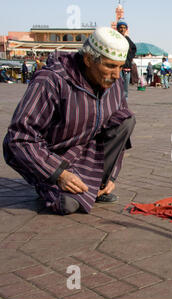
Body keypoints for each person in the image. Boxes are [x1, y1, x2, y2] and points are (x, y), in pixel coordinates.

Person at [3, 27, 136, 215]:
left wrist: (112, 176)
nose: (116, 75)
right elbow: (19, 138)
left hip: (86, 149)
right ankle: (48, 183)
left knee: (126, 120)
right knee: (67, 204)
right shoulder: (52, 80)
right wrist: (58, 174)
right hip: (53, 155)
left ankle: (98, 184)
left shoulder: (114, 83)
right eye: (110, 66)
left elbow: (119, 129)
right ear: (89, 60)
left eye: (120, 67)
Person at [117, 20, 137, 99]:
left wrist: (129, 58)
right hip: (117, 67)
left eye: (124, 28)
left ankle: (124, 102)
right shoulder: (114, 38)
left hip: (126, 66)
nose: (122, 29)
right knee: (118, 85)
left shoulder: (128, 40)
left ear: (126, 29)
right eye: (120, 28)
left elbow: (133, 49)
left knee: (125, 86)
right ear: (117, 29)